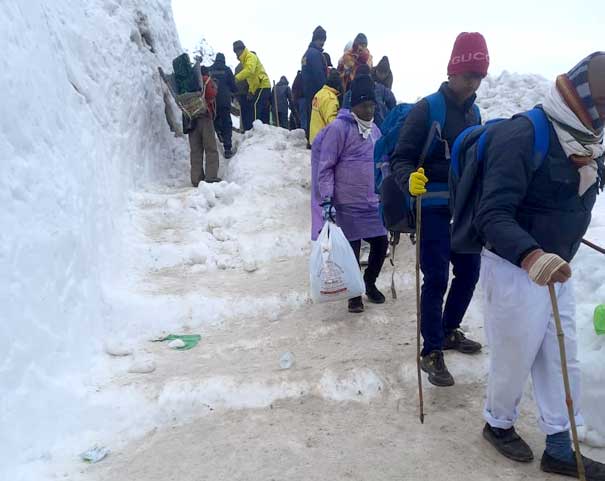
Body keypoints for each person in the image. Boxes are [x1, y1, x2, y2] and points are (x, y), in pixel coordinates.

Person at [475, 52, 605, 479]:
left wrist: (554, 255)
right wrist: (532, 255)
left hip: (559, 268)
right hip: (514, 268)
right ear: (583, 96)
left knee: (562, 357)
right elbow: (491, 213)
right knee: (514, 358)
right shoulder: (523, 135)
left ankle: (558, 446)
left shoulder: (589, 141)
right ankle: (498, 424)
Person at [390, 32, 489, 386]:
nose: (473, 83)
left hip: (463, 210)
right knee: (436, 278)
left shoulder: (475, 112)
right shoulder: (427, 108)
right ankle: (431, 350)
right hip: (430, 205)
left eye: (479, 76)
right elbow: (399, 156)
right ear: (452, 72)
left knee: (470, 271)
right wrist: (409, 181)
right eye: (468, 76)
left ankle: (448, 329)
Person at [315, 74, 388, 313]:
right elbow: (326, 167)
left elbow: (381, 162)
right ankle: (354, 294)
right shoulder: (338, 128)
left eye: (372, 105)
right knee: (352, 251)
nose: (369, 110)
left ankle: (369, 282)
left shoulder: (375, 130)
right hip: (347, 204)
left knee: (381, 243)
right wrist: (327, 200)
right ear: (353, 105)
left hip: (372, 203)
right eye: (364, 105)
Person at [183, 65, 221, 186]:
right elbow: (212, 93)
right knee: (210, 148)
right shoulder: (206, 79)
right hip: (205, 118)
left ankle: (196, 179)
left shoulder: (187, 83)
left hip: (190, 120)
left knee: (196, 151)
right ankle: (211, 176)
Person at [233, 40, 271, 128]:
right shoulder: (245, 60)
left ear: (241, 50)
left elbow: (250, 70)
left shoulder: (250, 56)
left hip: (263, 84)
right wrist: (251, 91)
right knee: (256, 107)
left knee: (255, 106)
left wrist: (236, 78)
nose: (236, 54)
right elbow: (252, 80)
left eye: (237, 51)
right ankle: (258, 129)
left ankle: (255, 130)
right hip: (258, 86)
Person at [302, 26, 328, 139]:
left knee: (310, 117)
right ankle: (315, 140)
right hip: (317, 91)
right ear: (317, 39)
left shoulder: (306, 54)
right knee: (316, 117)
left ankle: (310, 139)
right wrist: (326, 89)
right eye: (321, 40)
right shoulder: (315, 54)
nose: (323, 43)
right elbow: (319, 74)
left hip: (308, 91)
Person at [209, 53, 237, 158]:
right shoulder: (227, 70)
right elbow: (233, 86)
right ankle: (227, 149)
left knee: (215, 120)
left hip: (212, 102)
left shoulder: (210, 69)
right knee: (227, 123)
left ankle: (218, 135)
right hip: (224, 101)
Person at [309, 70, 342, 144]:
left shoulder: (319, 94)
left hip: (315, 138)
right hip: (324, 141)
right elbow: (332, 122)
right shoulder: (331, 99)